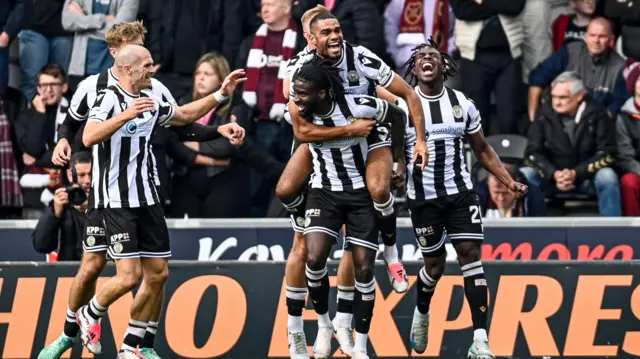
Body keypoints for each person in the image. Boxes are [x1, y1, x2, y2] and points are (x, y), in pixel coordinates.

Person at [40, 22, 230, 359]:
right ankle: (72, 329)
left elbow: (183, 122)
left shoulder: (154, 89)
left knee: (156, 274)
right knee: (96, 267)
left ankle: (137, 345)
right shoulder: (98, 89)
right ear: (119, 55)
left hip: (146, 191)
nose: (151, 64)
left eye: (146, 48)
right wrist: (62, 143)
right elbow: (78, 129)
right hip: (107, 194)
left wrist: (219, 111)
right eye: (141, 53)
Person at [399, 39, 527, 359]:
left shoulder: (462, 103)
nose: (426, 59)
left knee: (470, 255)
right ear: (414, 69)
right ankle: (423, 310)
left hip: (460, 194)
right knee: (435, 265)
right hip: (424, 199)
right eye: (420, 57)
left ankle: (480, 341)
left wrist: (508, 181)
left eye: (433, 55)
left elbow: (481, 149)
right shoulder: (402, 109)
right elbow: (391, 154)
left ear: (444, 66)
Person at [292, 59, 408, 359]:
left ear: (323, 94)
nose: (297, 99)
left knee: (365, 269)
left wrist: (398, 159)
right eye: (296, 93)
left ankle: (360, 346)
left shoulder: (361, 105)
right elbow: (303, 134)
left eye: (304, 93)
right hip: (324, 192)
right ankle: (323, 325)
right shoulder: (299, 112)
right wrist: (350, 130)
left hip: (359, 195)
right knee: (314, 258)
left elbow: (397, 115)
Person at [523, 71, 621, 217]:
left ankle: (614, 233)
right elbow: (531, 152)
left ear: (579, 96)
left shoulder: (598, 113)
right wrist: (554, 174)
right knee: (526, 174)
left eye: (563, 97)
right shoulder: (543, 113)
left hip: (587, 179)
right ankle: (527, 230)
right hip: (552, 179)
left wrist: (576, 173)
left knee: (607, 177)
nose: (556, 102)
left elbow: (608, 153)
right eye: (554, 96)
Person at [528, 17, 626, 120]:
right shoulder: (570, 51)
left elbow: (617, 104)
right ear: (586, 37)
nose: (596, 40)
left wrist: (598, 126)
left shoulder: (620, 67)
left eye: (602, 36)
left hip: (594, 124)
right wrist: (533, 119)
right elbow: (537, 78)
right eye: (592, 35)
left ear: (611, 40)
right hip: (558, 119)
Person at [32, 152, 92, 261]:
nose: (87, 181)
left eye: (91, 174)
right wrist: (55, 213)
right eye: (81, 175)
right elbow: (41, 245)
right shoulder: (62, 200)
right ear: (70, 175)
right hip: (68, 271)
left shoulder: (108, 201)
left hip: (103, 270)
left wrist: (91, 207)